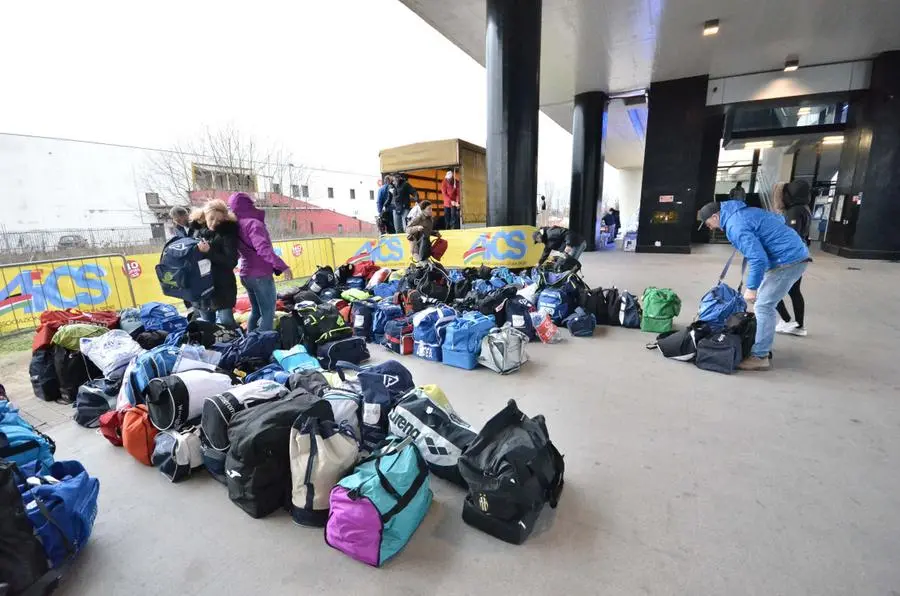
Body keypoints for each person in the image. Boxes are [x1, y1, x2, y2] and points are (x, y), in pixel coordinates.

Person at [698, 198, 811, 371]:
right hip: (792, 255)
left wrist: (751, 288)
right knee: (765, 304)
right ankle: (761, 345)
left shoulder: (736, 225)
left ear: (715, 216)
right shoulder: (744, 212)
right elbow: (778, 220)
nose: (710, 228)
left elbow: (758, 258)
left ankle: (760, 356)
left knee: (763, 306)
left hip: (787, 261)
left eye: (708, 224)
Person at [228, 192, 290, 332]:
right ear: (247, 205)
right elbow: (263, 250)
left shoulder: (234, 226)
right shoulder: (253, 224)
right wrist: (283, 266)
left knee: (256, 311)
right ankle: (263, 345)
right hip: (260, 275)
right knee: (268, 313)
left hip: (246, 274)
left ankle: (251, 341)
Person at [775, 180, 812, 337]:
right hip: (799, 254)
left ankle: (787, 320)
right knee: (794, 290)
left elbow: (790, 236)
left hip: (790, 256)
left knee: (771, 290)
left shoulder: (794, 211)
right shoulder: (804, 208)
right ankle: (797, 324)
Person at [193, 200, 240, 327]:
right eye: (211, 218)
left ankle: (237, 344)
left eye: (219, 220)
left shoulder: (228, 233)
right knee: (207, 324)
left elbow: (231, 261)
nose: (214, 223)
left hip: (222, 286)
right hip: (201, 285)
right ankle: (215, 346)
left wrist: (209, 252)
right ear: (204, 216)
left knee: (227, 322)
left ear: (224, 219)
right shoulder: (196, 232)